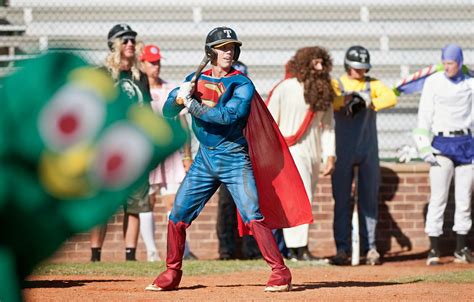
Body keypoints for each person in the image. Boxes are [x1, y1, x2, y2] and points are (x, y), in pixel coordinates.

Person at [145, 26, 313, 293]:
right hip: (205, 159)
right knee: (177, 215)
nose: (229, 52)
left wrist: (191, 104)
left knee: (252, 214)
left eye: (232, 47)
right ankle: (172, 272)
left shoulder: (242, 83)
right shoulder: (194, 79)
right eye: (223, 47)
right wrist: (178, 98)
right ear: (210, 51)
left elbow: (227, 117)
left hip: (234, 157)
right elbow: (167, 112)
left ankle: (281, 272)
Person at [90, 23, 152, 262]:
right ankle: (95, 255)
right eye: (124, 40)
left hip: (135, 148)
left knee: (135, 204)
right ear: (114, 45)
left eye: (132, 41)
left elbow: (146, 112)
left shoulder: (141, 77)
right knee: (103, 205)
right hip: (105, 148)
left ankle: (130, 256)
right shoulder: (101, 74)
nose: (130, 44)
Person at [267, 46, 336, 261]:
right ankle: (298, 249)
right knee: (300, 198)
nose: (320, 67)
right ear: (304, 64)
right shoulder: (285, 88)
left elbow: (328, 126)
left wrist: (330, 154)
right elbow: (270, 121)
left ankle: (298, 249)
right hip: (291, 151)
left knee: (308, 196)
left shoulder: (324, 89)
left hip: (314, 151)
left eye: (322, 63)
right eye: (315, 63)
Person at [331, 45, 397, 265]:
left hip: (368, 148)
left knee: (369, 199)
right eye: (356, 68)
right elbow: (331, 100)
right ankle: (342, 248)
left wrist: (370, 101)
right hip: (342, 149)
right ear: (348, 66)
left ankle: (370, 248)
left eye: (363, 68)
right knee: (341, 200)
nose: (360, 72)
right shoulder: (337, 83)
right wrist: (348, 100)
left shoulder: (373, 84)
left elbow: (391, 97)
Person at [412, 44, 473, 265]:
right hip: (441, 143)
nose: (448, 67)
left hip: (466, 143)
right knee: (438, 197)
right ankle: (434, 249)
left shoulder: (470, 82)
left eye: (452, 63)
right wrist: (424, 147)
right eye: (445, 63)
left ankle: (461, 247)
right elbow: (424, 115)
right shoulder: (434, 82)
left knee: (464, 198)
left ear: (459, 62)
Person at [139, 44, 196, 261]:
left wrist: (187, 155)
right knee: (148, 202)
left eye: (158, 62)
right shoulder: (138, 91)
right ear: (142, 64)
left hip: (170, 155)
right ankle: (152, 252)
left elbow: (183, 125)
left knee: (174, 202)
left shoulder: (170, 89)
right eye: (151, 62)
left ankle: (183, 249)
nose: (156, 66)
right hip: (148, 155)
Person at [216, 60, 261, 260]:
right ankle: (227, 249)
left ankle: (252, 249)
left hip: (247, 160)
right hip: (225, 159)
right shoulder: (219, 105)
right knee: (226, 204)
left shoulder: (252, 104)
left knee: (250, 203)